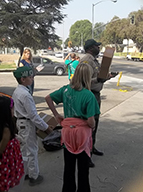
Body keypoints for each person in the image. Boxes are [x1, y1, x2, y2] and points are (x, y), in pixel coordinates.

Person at [45, 63, 100, 192]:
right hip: (82, 134)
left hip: (67, 132)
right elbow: (91, 121)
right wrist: (91, 126)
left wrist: (56, 114)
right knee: (83, 168)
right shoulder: (89, 95)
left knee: (68, 167)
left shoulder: (66, 90)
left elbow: (48, 98)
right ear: (87, 76)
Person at [12, 66, 53, 186]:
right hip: (27, 123)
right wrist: (46, 128)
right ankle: (34, 176)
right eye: (30, 77)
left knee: (24, 150)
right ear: (23, 79)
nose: (32, 79)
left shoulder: (17, 91)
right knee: (32, 150)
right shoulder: (25, 95)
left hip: (21, 122)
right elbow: (33, 115)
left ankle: (24, 172)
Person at [79, 39, 117, 168]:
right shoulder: (86, 61)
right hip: (89, 96)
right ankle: (86, 155)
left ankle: (91, 148)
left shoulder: (94, 60)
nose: (99, 48)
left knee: (94, 125)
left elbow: (98, 78)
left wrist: (108, 76)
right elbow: (83, 81)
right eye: (96, 46)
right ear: (90, 48)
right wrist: (99, 79)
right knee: (89, 126)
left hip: (96, 95)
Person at [0, 96, 24, 192]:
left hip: (6, 157)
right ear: (5, 112)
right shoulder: (6, 129)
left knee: (3, 180)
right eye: (11, 109)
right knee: (5, 178)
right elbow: (0, 149)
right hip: (6, 159)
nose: (13, 111)